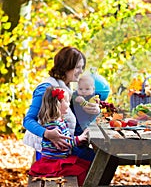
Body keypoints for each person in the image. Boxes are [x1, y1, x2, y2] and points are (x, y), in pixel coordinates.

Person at [23, 46, 118, 185]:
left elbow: (72, 118)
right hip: (50, 151)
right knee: (102, 161)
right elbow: (28, 120)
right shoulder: (47, 88)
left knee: (106, 159)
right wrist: (47, 133)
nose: (81, 71)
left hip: (66, 144)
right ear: (66, 66)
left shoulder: (67, 87)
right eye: (78, 67)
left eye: (82, 67)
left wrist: (94, 110)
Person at [28, 87, 90, 186]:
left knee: (86, 165)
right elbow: (64, 143)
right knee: (81, 171)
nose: (69, 105)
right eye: (66, 102)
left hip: (61, 158)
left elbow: (67, 138)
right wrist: (80, 138)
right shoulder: (53, 125)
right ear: (57, 103)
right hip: (53, 162)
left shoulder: (60, 121)